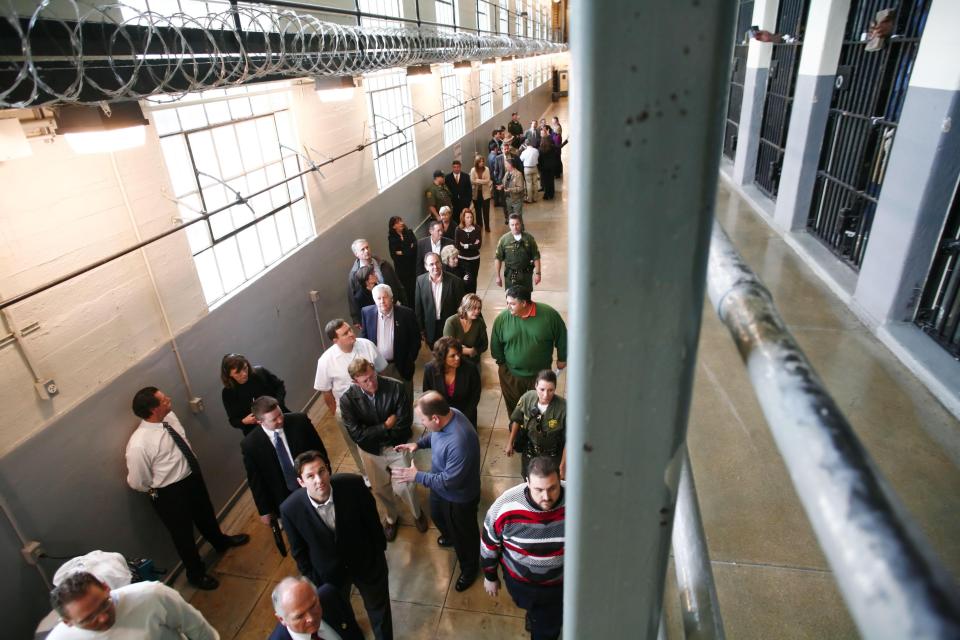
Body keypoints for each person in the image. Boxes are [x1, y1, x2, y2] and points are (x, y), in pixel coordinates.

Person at [126, 387, 250, 590]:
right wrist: (160, 487)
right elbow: (138, 480)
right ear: (153, 410)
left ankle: (219, 541)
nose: (169, 399)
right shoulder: (139, 444)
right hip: (169, 492)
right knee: (183, 535)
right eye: (163, 399)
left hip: (191, 477)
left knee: (206, 514)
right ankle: (196, 573)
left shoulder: (170, 417)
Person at [280, 450, 393, 640]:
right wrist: (316, 579)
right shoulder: (290, 509)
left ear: (328, 470)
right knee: (342, 616)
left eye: (322, 471)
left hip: (366, 563)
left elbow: (372, 522)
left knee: (379, 610)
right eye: (310, 476)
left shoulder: (353, 485)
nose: (319, 479)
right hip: (330, 577)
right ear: (301, 482)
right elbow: (299, 552)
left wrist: (378, 554)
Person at [392, 392, 481, 592]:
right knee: (439, 516)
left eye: (423, 420)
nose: (422, 424)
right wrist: (419, 444)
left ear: (435, 418)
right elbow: (435, 435)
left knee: (465, 537)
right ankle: (450, 535)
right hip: (440, 488)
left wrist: (417, 476)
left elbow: (449, 481)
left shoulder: (461, 442)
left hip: (458, 497)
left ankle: (470, 567)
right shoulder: (449, 414)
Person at [339, 358, 427, 541]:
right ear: (355, 382)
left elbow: (403, 424)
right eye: (365, 380)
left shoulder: (396, 387)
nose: (372, 382)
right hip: (370, 451)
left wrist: (379, 434)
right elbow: (357, 435)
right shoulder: (347, 400)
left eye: (373, 376)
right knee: (380, 488)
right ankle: (391, 517)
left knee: (405, 485)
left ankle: (417, 513)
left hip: (396, 446)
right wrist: (385, 426)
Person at [481, 456, 566, 640]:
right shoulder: (504, 507)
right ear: (527, 482)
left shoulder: (577, 502)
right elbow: (489, 545)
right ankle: (534, 615)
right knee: (531, 609)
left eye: (552, 488)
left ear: (560, 479)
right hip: (519, 583)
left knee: (547, 631)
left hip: (558, 586)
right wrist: (490, 576)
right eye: (539, 489)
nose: (546, 497)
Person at [313, 319, 387, 477]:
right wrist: (337, 413)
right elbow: (326, 392)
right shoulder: (325, 361)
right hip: (349, 410)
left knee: (382, 434)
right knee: (356, 444)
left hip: (375, 401)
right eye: (345, 333)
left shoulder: (367, 345)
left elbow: (381, 372)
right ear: (335, 340)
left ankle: (388, 465)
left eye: (349, 329)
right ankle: (367, 473)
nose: (351, 333)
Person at [47, 571, 217, 639]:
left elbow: (198, 628)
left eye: (104, 605)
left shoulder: (152, 595)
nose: (103, 617)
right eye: (89, 618)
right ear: (67, 622)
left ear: (106, 588)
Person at [240, 396, 328, 528]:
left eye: (280, 414)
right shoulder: (250, 445)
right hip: (283, 495)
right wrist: (264, 510)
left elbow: (320, 451)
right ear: (259, 422)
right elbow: (255, 480)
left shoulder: (300, 421)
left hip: (314, 485)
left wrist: (327, 477)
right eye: (274, 419)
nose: (280, 420)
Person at [490, 286, 567, 416]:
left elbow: (562, 336)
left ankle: (535, 433)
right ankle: (517, 432)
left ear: (524, 303)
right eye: (507, 303)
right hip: (511, 375)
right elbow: (495, 344)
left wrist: (562, 358)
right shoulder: (502, 319)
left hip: (540, 375)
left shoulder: (549, 315)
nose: (508, 307)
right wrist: (502, 364)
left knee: (538, 408)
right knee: (515, 408)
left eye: (512, 304)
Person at [360, 283, 421, 398]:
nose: (382, 301)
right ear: (374, 300)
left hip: (399, 366)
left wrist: (409, 360)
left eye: (385, 297)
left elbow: (416, 340)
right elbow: (364, 339)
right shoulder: (366, 313)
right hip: (376, 368)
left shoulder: (406, 314)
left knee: (405, 398)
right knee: (383, 399)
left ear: (391, 298)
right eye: (378, 298)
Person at [505, 370, 567, 479]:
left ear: (555, 389)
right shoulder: (527, 398)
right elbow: (517, 420)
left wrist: (562, 466)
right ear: (535, 386)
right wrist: (510, 442)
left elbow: (570, 439)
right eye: (542, 389)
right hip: (530, 451)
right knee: (528, 478)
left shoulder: (563, 408)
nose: (545, 395)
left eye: (550, 390)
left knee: (549, 481)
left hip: (553, 454)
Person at [269, 577, 364, 640]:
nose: (311, 618)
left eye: (313, 606)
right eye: (300, 616)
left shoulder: (329, 596)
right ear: (281, 619)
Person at [220, 353, 289, 437]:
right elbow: (233, 420)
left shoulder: (260, 372)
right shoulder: (228, 393)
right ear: (229, 374)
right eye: (238, 372)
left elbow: (279, 386)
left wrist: (278, 404)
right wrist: (244, 421)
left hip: (279, 417)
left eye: (245, 368)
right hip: (256, 431)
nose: (244, 374)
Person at [422, 336, 481, 428]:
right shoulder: (430, 369)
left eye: (458, 354)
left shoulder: (470, 369)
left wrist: (463, 417)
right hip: (440, 419)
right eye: (452, 356)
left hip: (466, 417)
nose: (457, 358)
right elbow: (427, 395)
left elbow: (475, 396)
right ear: (442, 357)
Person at [347, 238, 405, 327]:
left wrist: (403, 300)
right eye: (362, 249)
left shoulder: (383, 264)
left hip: (394, 305)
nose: (366, 251)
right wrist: (356, 318)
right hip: (375, 315)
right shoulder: (354, 274)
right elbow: (352, 298)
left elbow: (396, 282)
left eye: (367, 247)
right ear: (356, 254)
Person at [415, 252, 466, 348]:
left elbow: (461, 308)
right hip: (430, 328)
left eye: (437, 262)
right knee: (436, 356)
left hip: (450, 327)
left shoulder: (455, 281)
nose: (435, 266)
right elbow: (419, 307)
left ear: (441, 263)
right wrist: (421, 330)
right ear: (426, 267)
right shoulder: (420, 281)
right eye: (431, 264)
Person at [495, 214, 541, 291]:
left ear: (521, 224)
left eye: (517, 224)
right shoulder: (504, 240)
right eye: (512, 225)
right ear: (509, 225)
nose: (515, 227)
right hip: (510, 276)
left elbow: (536, 257)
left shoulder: (529, 239)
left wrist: (538, 274)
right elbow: (498, 258)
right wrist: (498, 276)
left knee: (526, 300)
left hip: (526, 275)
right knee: (511, 300)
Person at [442, 293, 488, 368]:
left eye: (479, 308)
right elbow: (447, 346)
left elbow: (484, 345)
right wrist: (468, 351)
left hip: (472, 362)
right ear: (465, 308)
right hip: (453, 362)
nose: (477, 311)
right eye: (474, 308)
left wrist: (474, 351)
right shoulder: (451, 322)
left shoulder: (480, 323)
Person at [387, 216, 418, 310]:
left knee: (416, 290)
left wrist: (402, 252)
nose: (401, 223)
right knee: (407, 292)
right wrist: (409, 249)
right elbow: (394, 256)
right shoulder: (392, 239)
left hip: (413, 267)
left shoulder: (409, 233)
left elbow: (415, 247)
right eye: (398, 222)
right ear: (393, 226)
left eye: (401, 220)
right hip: (402, 271)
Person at [455, 208, 482, 293]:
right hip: (463, 259)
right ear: (463, 218)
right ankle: (466, 299)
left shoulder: (477, 228)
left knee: (473, 280)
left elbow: (478, 245)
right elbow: (458, 246)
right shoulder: (458, 229)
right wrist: (472, 245)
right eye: (467, 217)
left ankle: (473, 299)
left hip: (475, 259)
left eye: (471, 217)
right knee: (466, 280)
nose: (470, 219)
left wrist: (465, 245)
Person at [445, 160, 472, 225]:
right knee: (455, 220)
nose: (456, 169)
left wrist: (468, 201)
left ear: (460, 167)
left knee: (464, 219)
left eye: (458, 167)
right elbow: (447, 191)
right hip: (453, 204)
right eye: (454, 167)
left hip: (464, 203)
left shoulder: (466, 176)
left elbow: (469, 190)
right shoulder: (448, 177)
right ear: (452, 167)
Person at [470, 155, 493, 232]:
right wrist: (481, 181)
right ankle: (479, 225)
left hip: (485, 193)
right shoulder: (473, 170)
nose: (482, 163)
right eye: (480, 161)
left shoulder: (486, 169)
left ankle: (487, 226)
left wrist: (478, 180)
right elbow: (472, 180)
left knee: (486, 211)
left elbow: (487, 180)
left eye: (483, 161)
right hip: (476, 194)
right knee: (478, 211)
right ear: (476, 162)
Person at [537, 131, 559, 201]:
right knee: (551, 181)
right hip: (551, 167)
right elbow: (558, 148)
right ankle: (551, 194)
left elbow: (539, 159)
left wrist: (539, 167)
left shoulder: (540, 149)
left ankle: (546, 195)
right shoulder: (552, 147)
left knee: (545, 181)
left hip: (543, 168)